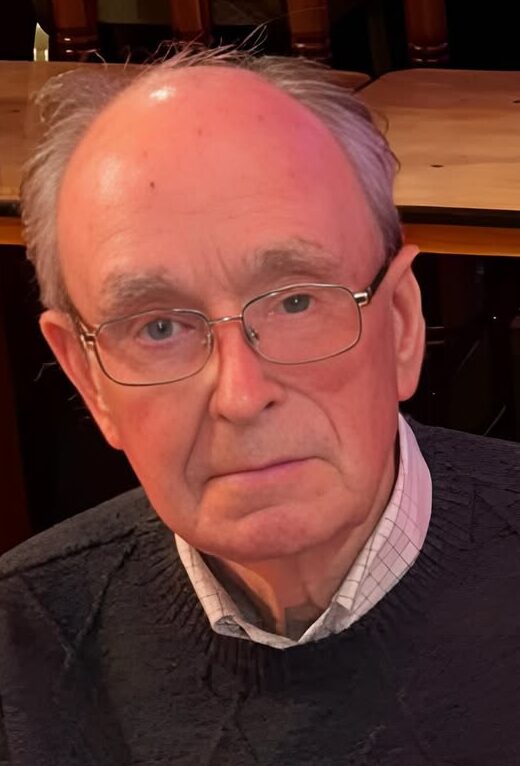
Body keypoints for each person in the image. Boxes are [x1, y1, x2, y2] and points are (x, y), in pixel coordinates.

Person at [0, 46, 519, 766]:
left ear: (401, 322)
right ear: (88, 378)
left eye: (296, 302)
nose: (241, 396)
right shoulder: (21, 649)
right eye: (159, 328)